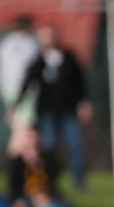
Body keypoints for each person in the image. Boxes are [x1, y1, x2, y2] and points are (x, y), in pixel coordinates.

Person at [12, 25, 92, 190]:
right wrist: (16, 105)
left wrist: (83, 102)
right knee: (48, 147)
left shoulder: (68, 57)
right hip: (46, 111)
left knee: (75, 145)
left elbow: (79, 82)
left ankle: (79, 180)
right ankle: (49, 180)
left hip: (68, 110)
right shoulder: (38, 60)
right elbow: (27, 84)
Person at [0, 15, 39, 157]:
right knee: (24, 127)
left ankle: (20, 164)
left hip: (7, 90)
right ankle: (20, 159)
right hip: (26, 90)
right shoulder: (30, 43)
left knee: (19, 125)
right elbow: (34, 70)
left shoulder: (5, 43)